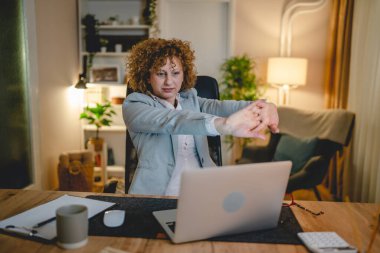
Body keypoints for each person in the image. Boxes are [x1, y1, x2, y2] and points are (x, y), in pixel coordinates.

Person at [123, 38, 279, 196]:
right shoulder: (135, 105)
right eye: (160, 74)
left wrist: (265, 106)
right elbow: (172, 120)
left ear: (184, 74)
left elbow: (220, 106)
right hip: (158, 196)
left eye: (175, 73)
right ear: (147, 76)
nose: (169, 81)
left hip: (205, 191)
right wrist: (223, 125)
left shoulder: (191, 100)